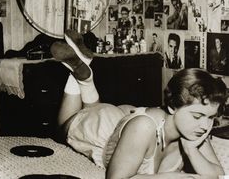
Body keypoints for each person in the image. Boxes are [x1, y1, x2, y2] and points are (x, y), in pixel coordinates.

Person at [50, 30, 227, 178]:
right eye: (197, 116)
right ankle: (81, 78)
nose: (205, 125)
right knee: (62, 128)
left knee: (90, 110)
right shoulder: (144, 127)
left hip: (125, 122)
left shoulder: (195, 129)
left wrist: (191, 150)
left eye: (211, 117)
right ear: (173, 106)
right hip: (104, 127)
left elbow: (219, 175)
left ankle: (85, 73)